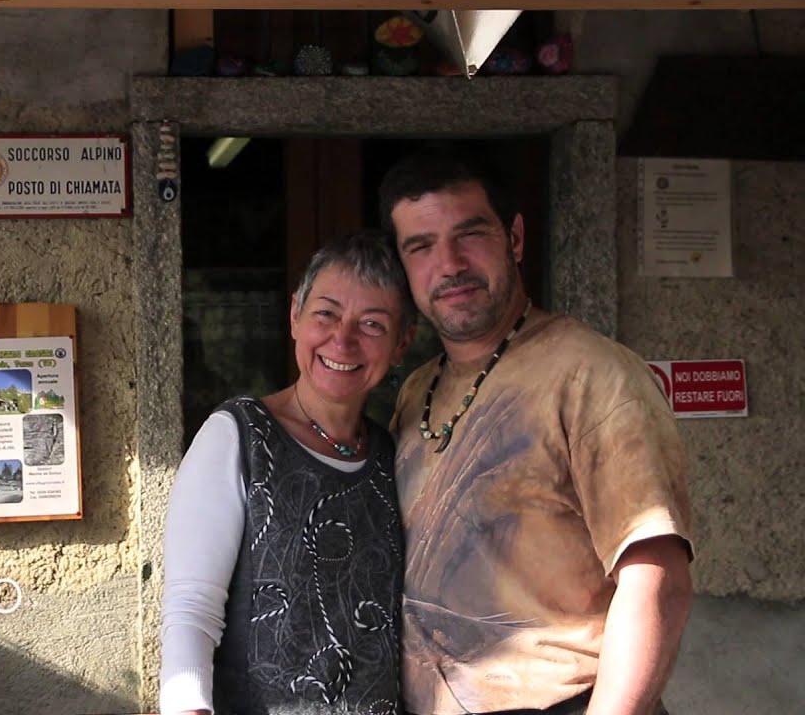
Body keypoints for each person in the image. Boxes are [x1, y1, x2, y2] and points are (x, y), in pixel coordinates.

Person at [379, 145, 694, 715]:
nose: (448, 265)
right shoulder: (416, 389)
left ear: (515, 239)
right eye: (421, 247)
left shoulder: (592, 373)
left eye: (469, 234)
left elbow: (657, 577)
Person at [159, 232, 417, 715]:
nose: (343, 339)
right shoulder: (239, 437)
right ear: (295, 313)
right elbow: (191, 610)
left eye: (373, 324)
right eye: (326, 313)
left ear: (403, 343)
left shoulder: (390, 455)